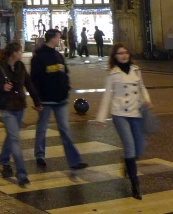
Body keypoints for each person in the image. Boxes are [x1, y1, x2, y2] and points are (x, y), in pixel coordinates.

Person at [94, 43, 152, 199]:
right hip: (119, 113)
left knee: (139, 148)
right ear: (115, 56)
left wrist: (147, 99)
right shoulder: (113, 73)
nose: (124, 55)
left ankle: (127, 161)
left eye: (126, 52)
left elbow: (142, 87)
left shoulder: (136, 69)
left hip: (136, 112)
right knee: (130, 147)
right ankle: (135, 184)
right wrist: (101, 117)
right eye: (120, 53)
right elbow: (107, 96)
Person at [0, 42, 42, 186]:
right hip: (7, 107)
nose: (22, 53)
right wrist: (1, 86)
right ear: (14, 53)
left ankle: (4, 160)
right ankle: (22, 174)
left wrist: (37, 101)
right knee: (15, 139)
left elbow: (29, 84)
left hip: (20, 106)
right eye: (20, 51)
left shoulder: (20, 66)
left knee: (12, 136)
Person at [31, 29, 88, 171]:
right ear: (52, 39)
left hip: (61, 99)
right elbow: (34, 79)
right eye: (58, 37)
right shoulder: (39, 57)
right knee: (42, 128)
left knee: (65, 130)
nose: (60, 39)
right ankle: (40, 154)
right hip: (46, 99)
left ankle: (74, 161)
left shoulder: (58, 55)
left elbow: (65, 73)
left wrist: (66, 87)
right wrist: (37, 100)